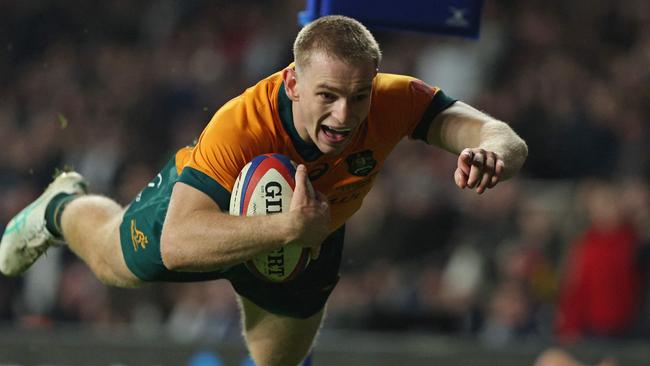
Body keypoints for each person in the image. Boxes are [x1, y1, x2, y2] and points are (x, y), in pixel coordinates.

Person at [0, 15, 527, 366]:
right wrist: (286, 227)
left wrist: (493, 153)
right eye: (328, 95)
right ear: (293, 84)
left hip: (308, 239)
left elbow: (502, 134)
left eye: (359, 96)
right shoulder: (243, 124)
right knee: (116, 263)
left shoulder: (392, 100)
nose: (344, 115)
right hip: (214, 217)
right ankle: (59, 206)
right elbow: (178, 244)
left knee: (278, 364)